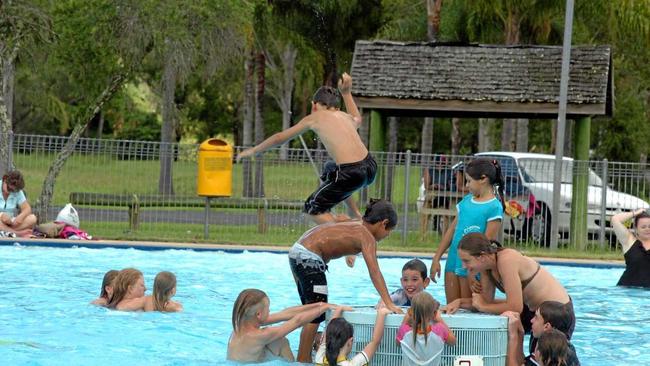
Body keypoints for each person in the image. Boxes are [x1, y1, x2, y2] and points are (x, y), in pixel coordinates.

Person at [237, 73, 375, 225]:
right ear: (336, 107)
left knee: (311, 209)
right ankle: (355, 214)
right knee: (330, 168)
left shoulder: (315, 117)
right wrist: (347, 93)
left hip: (351, 172)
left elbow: (279, 138)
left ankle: (346, 226)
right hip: (370, 166)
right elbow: (358, 119)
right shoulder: (343, 116)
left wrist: (254, 150)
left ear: (314, 105)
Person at [288, 198, 402, 363]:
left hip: (298, 252)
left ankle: (303, 356)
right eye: (389, 231)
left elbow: (338, 224)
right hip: (309, 258)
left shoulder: (356, 224)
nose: (387, 235)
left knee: (311, 311)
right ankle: (303, 360)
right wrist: (388, 302)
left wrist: (350, 253)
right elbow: (375, 272)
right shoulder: (367, 237)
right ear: (383, 223)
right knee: (316, 315)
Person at [447, 233, 575, 339]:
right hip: (535, 313)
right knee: (505, 335)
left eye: (466, 261)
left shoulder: (506, 260)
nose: (463, 266)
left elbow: (515, 307)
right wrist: (459, 302)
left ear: (482, 256)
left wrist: (483, 306)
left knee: (541, 357)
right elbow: (485, 303)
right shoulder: (487, 269)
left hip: (558, 312)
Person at [431, 158, 505, 304]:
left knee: (465, 307)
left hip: (472, 264)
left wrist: (473, 273)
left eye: (469, 181)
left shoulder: (494, 207)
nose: (466, 185)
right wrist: (436, 258)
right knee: (451, 307)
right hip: (453, 259)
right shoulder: (466, 201)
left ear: (483, 179)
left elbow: (485, 244)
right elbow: (452, 230)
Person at [227, 288, 335, 363]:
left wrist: (320, 304)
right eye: (268, 309)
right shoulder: (259, 335)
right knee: (281, 341)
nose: (269, 311)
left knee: (275, 341)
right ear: (259, 314)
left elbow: (284, 314)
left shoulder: (241, 323)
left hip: (243, 361)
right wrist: (322, 309)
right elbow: (297, 321)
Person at [503, 301, 580, 366]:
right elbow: (524, 363)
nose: (531, 320)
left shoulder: (547, 349)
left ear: (546, 326)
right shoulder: (568, 347)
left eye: (536, 317)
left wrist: (513, 336)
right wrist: (520, 333)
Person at [314, 306, 391, 366]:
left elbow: (375, 342)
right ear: (350, 341)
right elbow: (375, 342)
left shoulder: (320, 357)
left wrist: (339, 309)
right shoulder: (354, 364)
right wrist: (381, 313)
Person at [396, 292, 456, 366]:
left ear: (411, 312)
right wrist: (440, 319)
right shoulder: (440, 329)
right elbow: (453, 342)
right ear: (434, 314)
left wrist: (407, 317)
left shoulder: (404, 330)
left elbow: (398, 344)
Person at [610, 208, 650, 287]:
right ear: (636, 228)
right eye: (643, 227)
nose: (647, 229)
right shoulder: (629, 241)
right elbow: (615, 219)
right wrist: (635, 213)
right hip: (628, 291)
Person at [0, 170, 37, 237]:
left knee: (32, 218)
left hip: (10, 222)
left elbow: (27, 208)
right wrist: (1, 215)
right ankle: (17, 233)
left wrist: (21, 217)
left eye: (13, 190)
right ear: (4, 180)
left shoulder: (17, 191)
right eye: (9, 188)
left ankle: (7, 232)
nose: (10, 191)